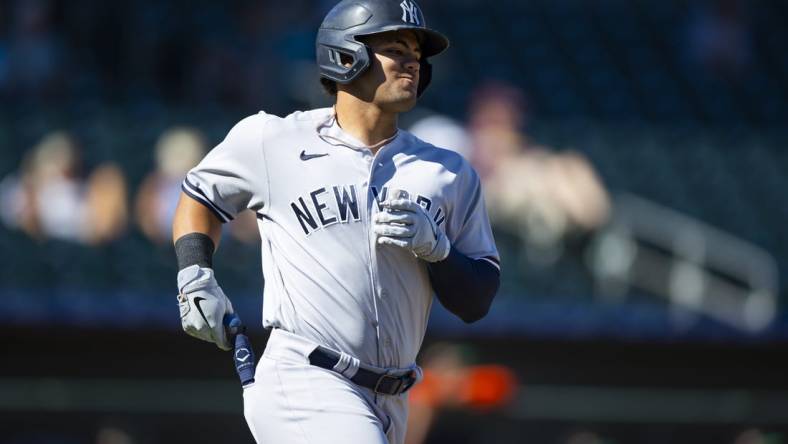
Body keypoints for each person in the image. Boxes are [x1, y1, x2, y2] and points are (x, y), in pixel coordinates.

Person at [171, 1, 500, 443]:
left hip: (394, 396)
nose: (412, 62)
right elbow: (200, 197)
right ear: (345, 55)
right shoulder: (275, 139)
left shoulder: (447, 172)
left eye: (417, 55)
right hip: (306, 375)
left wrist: (439, 251)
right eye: (396, 48)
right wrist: (195, 275)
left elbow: (476, 300)